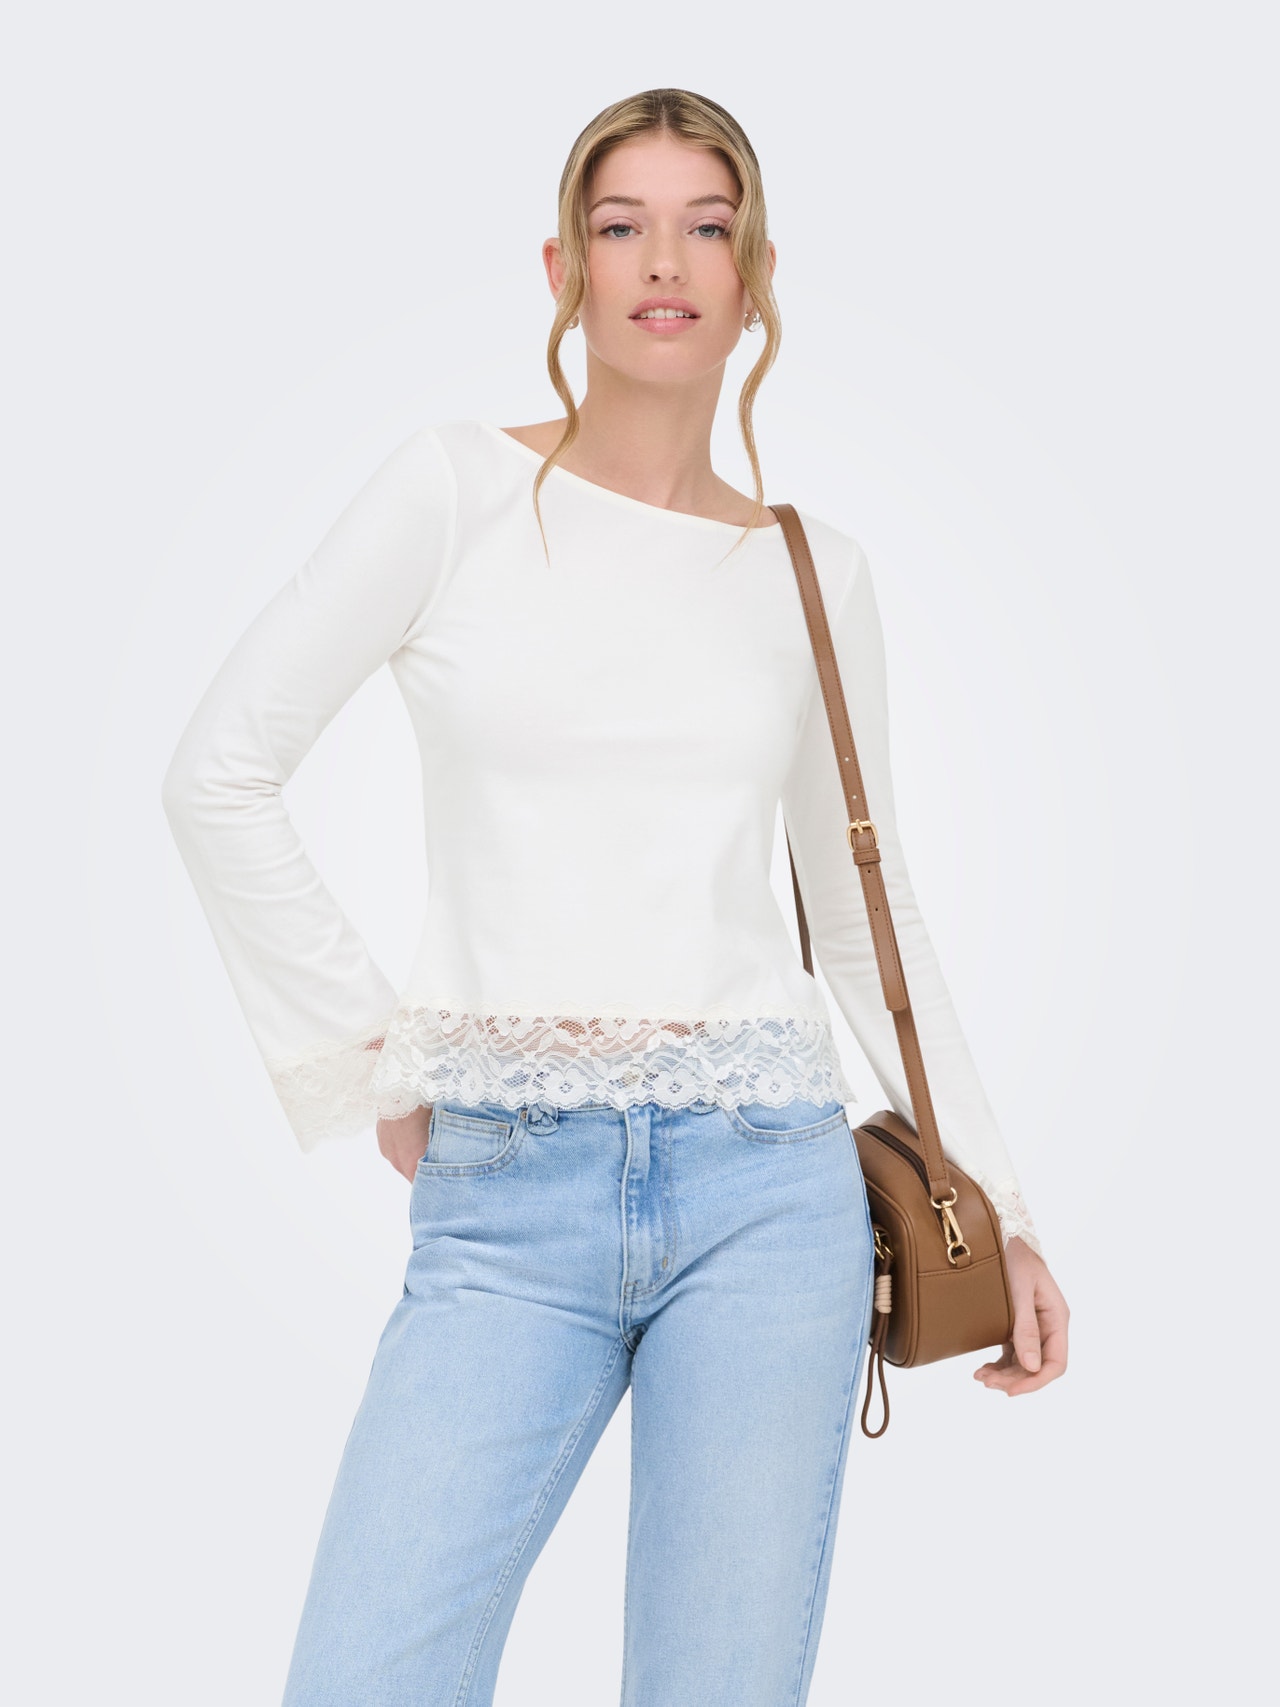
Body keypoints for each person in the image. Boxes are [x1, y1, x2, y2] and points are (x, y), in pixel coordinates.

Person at [162, 86, 1068, 1707]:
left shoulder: (811, 571)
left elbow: (865, 916)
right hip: (506, 1197)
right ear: (563, 268)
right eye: (622, 224)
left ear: (758, 274)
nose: (665, 260)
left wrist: (1000, 1210)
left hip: (771, 1194)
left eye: (707, 226)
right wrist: (373, 1059)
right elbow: (218, 772)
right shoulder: (450, 493)